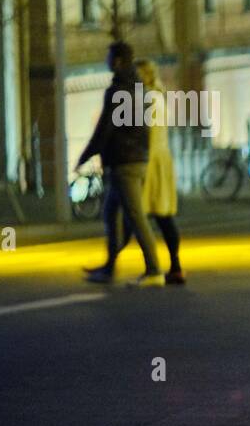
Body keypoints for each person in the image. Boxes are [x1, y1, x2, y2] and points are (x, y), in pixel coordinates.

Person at [78, 41, 163, 287]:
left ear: (116, 61)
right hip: (135, 159)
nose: (106, 61)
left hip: (124, 162)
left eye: (109, 57)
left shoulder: (116, 92)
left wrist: (85, 156)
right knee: (110, 213)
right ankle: (109, 267)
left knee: (136, 216)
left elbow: (105, 128)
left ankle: (154, 270)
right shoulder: (139, 89)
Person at [114, 59, 185, 284]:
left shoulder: (148, 99)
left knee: (133, 214)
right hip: (159, 159)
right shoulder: (158, 97)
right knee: (162, 216)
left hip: (149, 160)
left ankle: (113, 262)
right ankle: (175, 267)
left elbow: (144, 134)